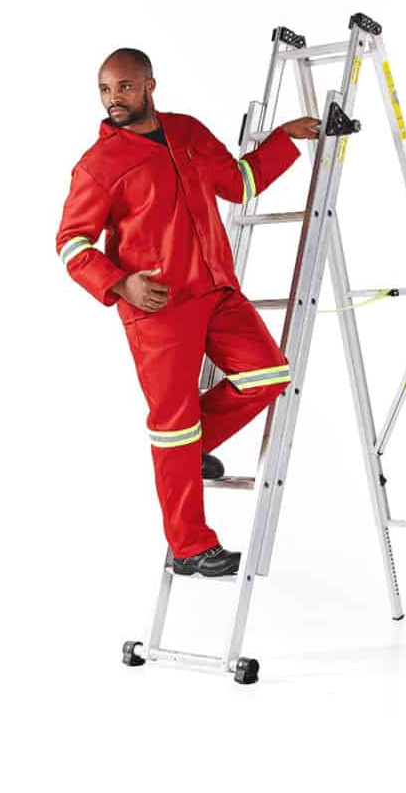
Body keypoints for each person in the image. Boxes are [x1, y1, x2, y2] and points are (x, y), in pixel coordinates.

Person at [56, 47, 320, 576]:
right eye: (105, 90)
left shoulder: (188, 132)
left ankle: (196, 446)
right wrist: (120, 283)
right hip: (157, 308)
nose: (113, 99)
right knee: (173, 426)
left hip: (216, 289)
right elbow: (71, 243)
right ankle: (190, 547)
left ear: (149, 85)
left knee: (268, 374)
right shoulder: (98, 165)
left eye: (124, 87)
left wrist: (283, 139)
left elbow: (239, 184)